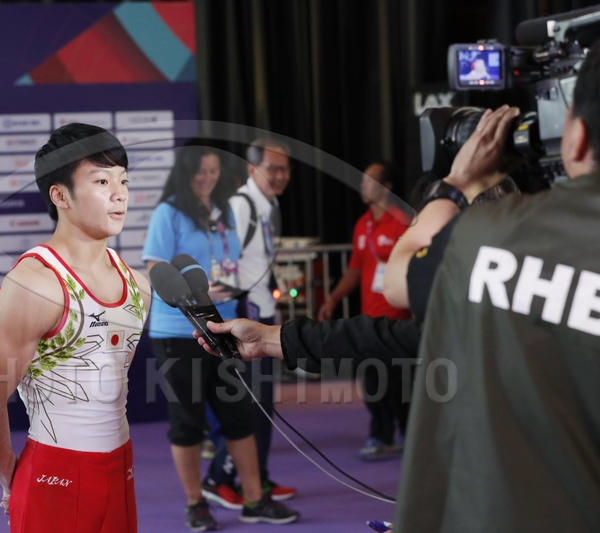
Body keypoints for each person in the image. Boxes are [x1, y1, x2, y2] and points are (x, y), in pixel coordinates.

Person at [201, 38, 600, 532]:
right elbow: (398, 337)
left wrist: (456, 185)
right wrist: (270, 339)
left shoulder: (496, 239)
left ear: (576, 137)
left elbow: (398, 282)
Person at [0, 123, 151, 533]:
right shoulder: (34, 284)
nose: (119, 193)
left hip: (121, 468)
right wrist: (10, 475)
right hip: (53, 473)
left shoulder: (138, 285)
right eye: (102, 181)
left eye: (123, 180)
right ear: (60, 196)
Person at [142, 141, 299, 530]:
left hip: (224, 324)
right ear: (186, 172)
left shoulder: (225, 210)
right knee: (187, 421)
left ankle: (254, 499)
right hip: (178, 330)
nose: (207, 178)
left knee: (239, 415)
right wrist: (193, 291)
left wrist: (235, 285)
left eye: (213, 171)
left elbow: (231, 261)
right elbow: (155, 267)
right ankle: (196, 503)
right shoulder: (169, 212)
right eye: (200, 171)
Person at [201, 138, 296, 509]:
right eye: (272, 168)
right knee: (248, 405)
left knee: (263, 404)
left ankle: (259, 478)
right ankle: (218, 479)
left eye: (285, 168)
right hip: (244, 318)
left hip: (262, 313)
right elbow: (220, 262)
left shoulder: (268, 205)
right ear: (252, 169)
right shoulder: (240, 206)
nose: (280, 175)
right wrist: (232, 317)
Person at [317, 161, 412, 460]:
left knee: (400, 381)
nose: (362, 185)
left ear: (386, 186)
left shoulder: (404, 221)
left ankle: (409, 432)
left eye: (368, 180)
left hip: (399, 318)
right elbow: (355, 270)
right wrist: (332, 299)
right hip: (369, 319)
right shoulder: (363, 224)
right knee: (371, 379)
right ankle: (380, 435)